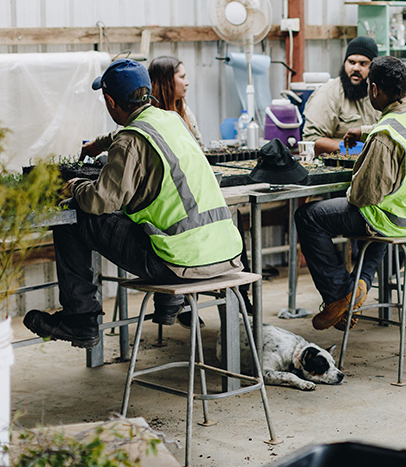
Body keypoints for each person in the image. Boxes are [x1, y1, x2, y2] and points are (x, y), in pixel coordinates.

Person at [24, 59, 244, 349]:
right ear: (147, 91)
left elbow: (100, 201)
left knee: (76, 216)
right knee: (138, 213)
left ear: (111, 101)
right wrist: (99, 144)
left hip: (177, 263)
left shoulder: (130, 142)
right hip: (222, 253)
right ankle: (171, 299)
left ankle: (81, 320)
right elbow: (134, 133)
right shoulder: (173, 120)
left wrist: (76, 186)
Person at [294, 55, 406, 330]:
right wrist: (365, 132)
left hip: (399, 222)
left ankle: (337, 296)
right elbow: (400, 126)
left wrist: (357, 171)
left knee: (309, 216)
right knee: (379, 214)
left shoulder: (386, 135)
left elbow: (363, 196)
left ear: (374, 89)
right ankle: (361, 283)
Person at [302, 36, 382, 156]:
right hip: (338, 167)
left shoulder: (379, 94)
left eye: (363, 63)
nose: (356, 68)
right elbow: (311, 140)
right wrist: (350, 150)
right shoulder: (327, 94)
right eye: (351, 62)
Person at [148, 55, 205, 149]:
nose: (187, 82)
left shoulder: (184, 109)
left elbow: (199, 146)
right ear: (166, 81)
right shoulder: (146, 114)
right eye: (182, 77)